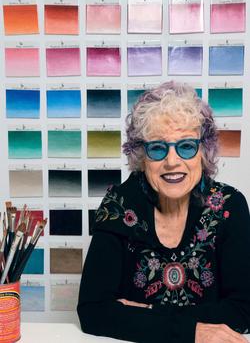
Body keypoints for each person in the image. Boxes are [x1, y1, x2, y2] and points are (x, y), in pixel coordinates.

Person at [77, 81, 250, 343]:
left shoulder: (229, 205)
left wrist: (147, 312)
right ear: (140, 156)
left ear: (203, 152)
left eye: (186, 146)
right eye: (157, 148)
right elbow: (93, 311)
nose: (171, 161)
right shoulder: (119, 205)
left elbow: (243, 310)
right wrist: (191, 331)